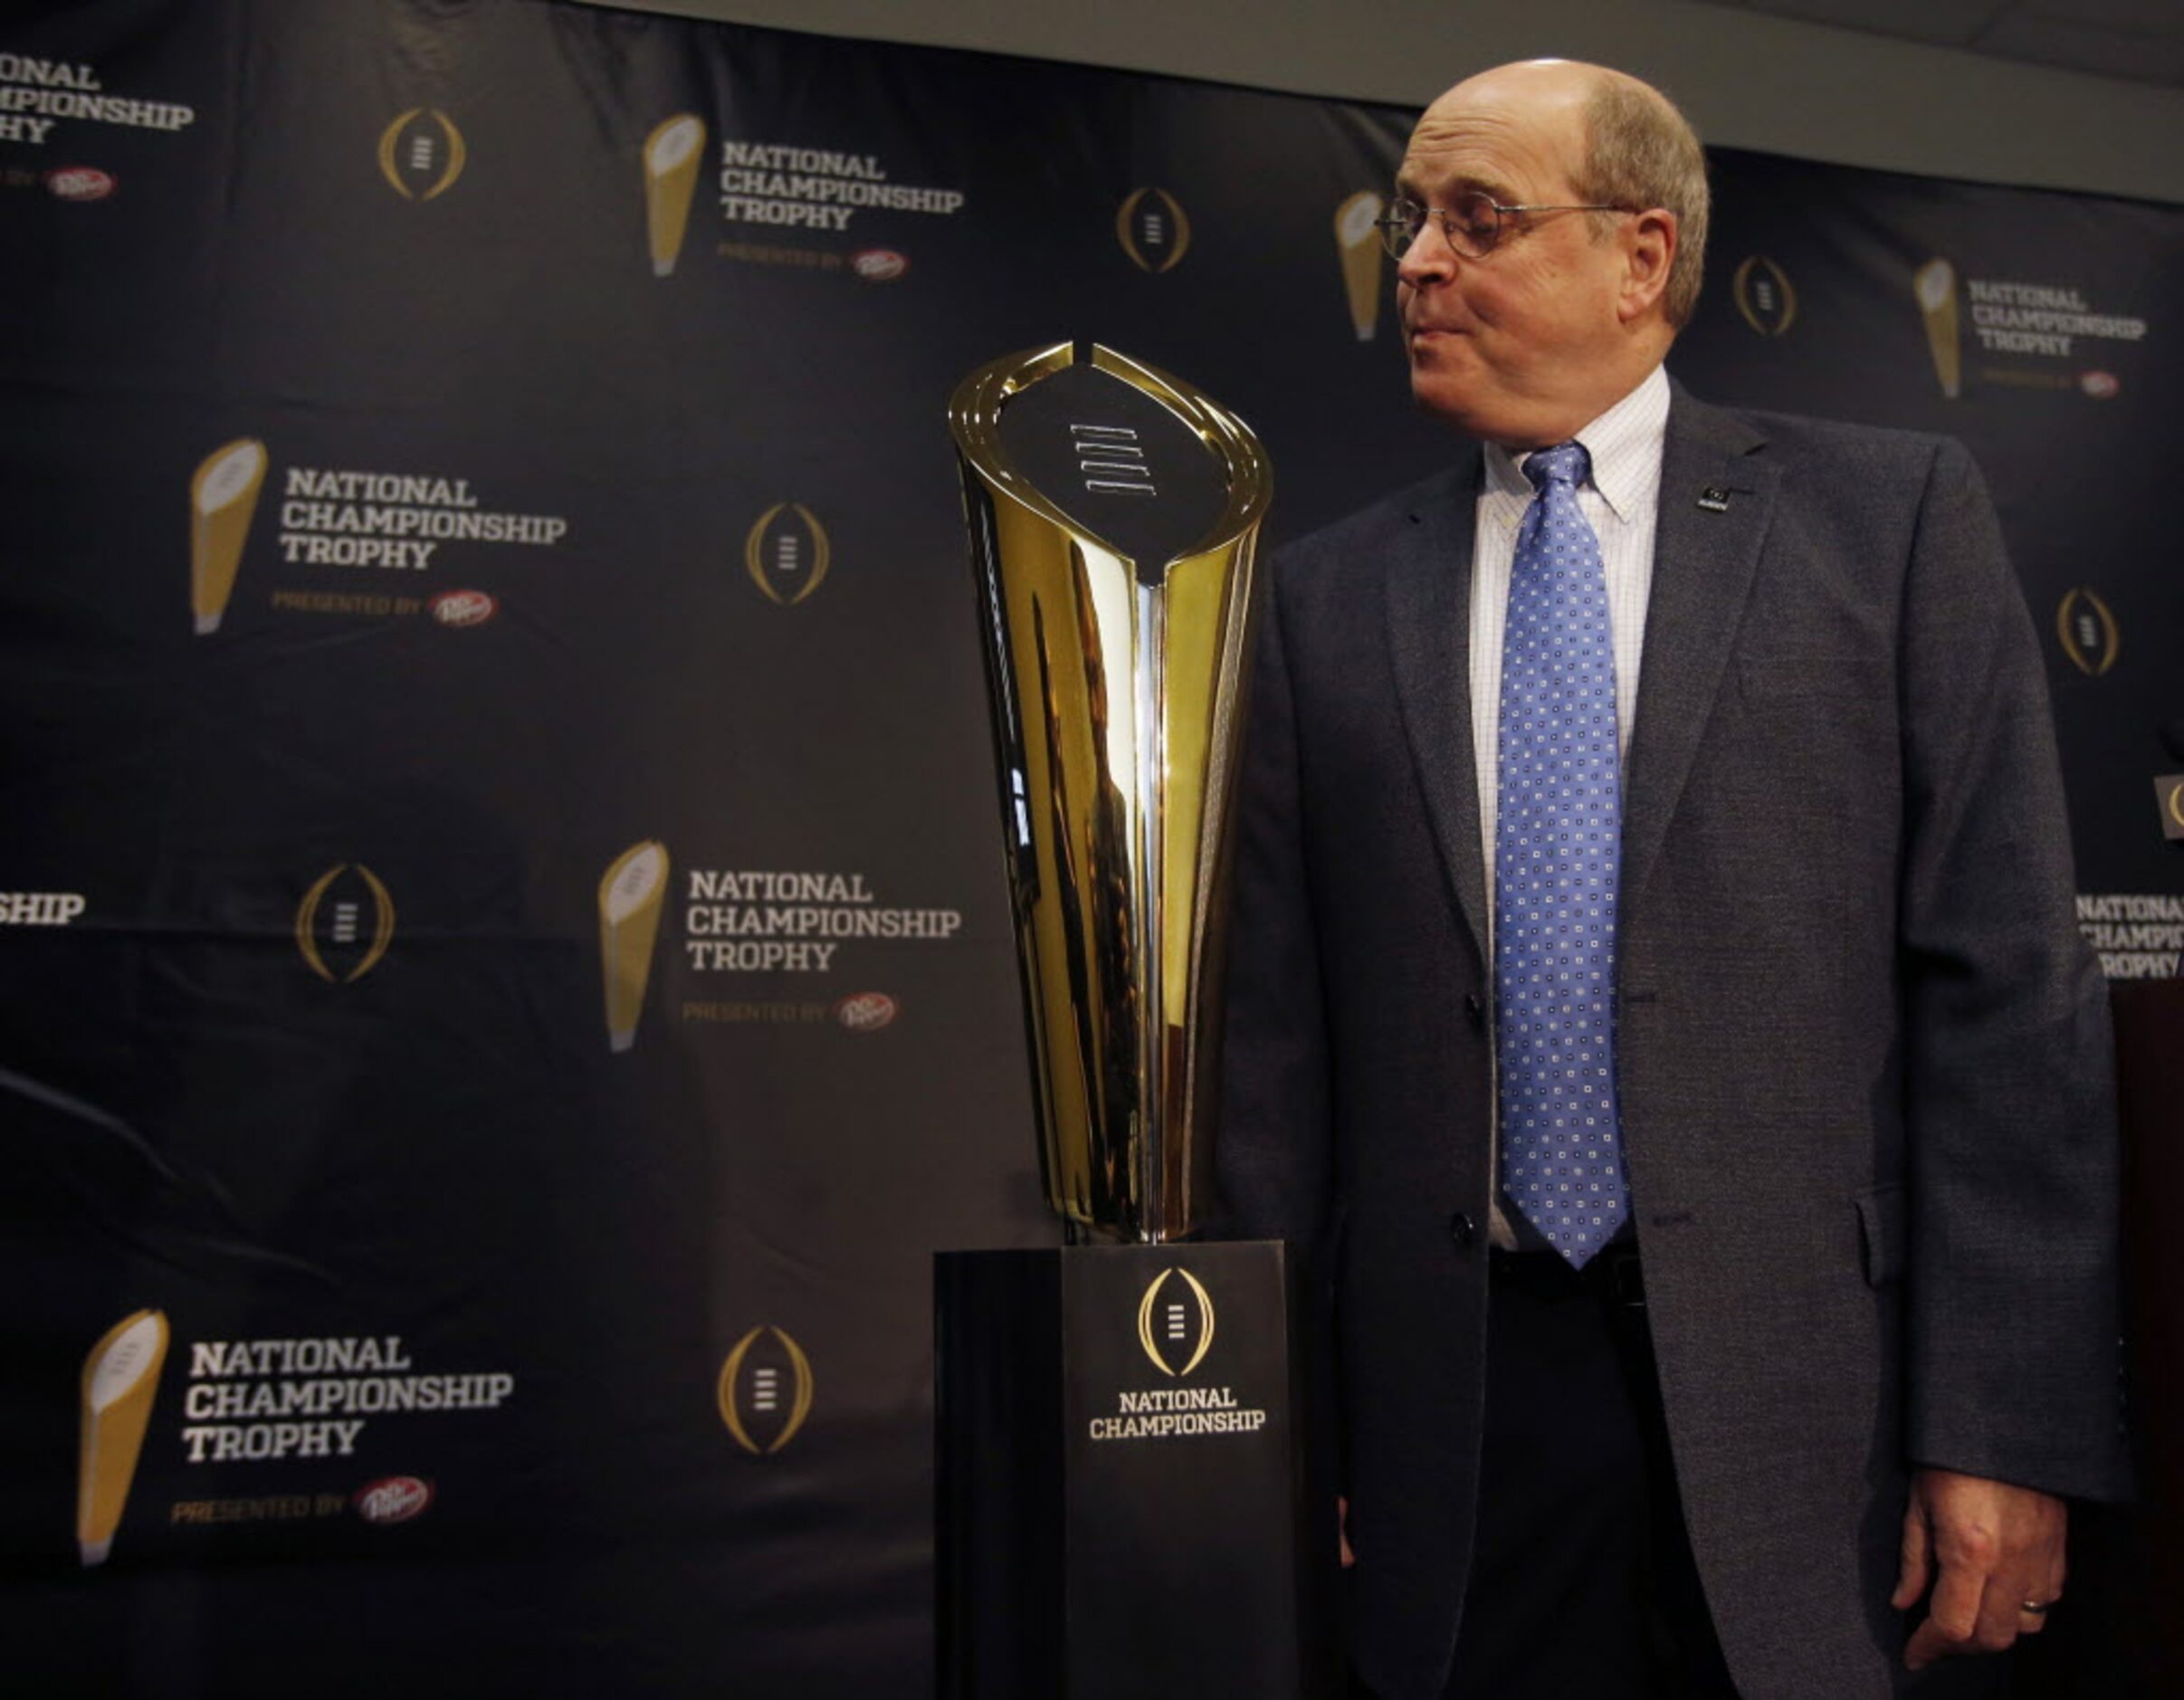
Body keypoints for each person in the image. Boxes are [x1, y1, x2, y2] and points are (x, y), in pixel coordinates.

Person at [1215, 58, 2126, 1700]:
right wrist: (1283, 1431)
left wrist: (1998, 1428)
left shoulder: (1888, 522)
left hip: (1816, 1417)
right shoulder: (1321, 603)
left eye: (1475, 219)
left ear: (1641, 258)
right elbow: (1275, 1066)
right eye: (1413, 218)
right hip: (1463, 1408)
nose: (1412, 259)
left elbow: (2009, 1009)